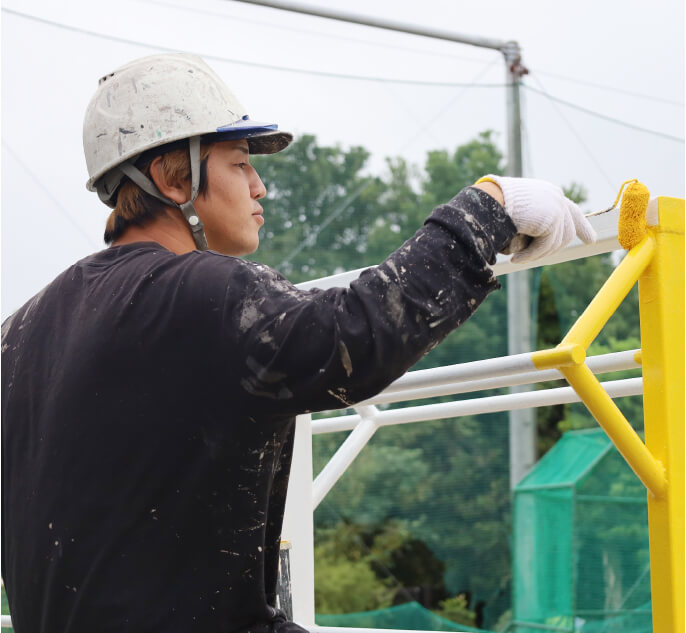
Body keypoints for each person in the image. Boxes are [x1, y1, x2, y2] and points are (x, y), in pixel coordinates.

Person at [1, 53, 596, 633]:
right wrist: (488, 211)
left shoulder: (19, 334)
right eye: (239, 163)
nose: (260, 187)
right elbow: (355, 340)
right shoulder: (203, 294)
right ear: (171, 177)